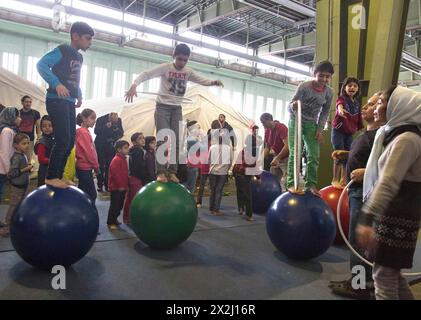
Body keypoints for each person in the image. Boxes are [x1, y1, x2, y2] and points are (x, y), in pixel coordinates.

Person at [356, 86, 421, 300]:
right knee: (392, 275)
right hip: (397, 213)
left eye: (381, 102)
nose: (376, 107)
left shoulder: (407, 139)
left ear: (397, 106)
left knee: (383, 278)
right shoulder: (398, 135)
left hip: (396, 216)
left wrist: (366, 217)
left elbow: (388, 182)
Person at [125, 43, 224, 183]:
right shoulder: (166, 67)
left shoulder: (188, 71)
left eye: (185, 60)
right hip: (162, 107)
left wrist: (213, 82)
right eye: (179, 59)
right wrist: (134, 85)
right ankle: (160, 172)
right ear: (173, 56)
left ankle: (172, 171)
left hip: (177, 108)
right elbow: (146, 74)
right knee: (163, 139)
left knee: (177, 140)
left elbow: (201, 80)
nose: (182, 63)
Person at [329, 92, 382, 299]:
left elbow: (387, 165)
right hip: (355, 191)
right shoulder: (367, 134)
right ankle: (361, 280)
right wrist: (345, 155)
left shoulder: (382, 136)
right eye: (366, 104)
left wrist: (366, 172)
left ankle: (359, 285)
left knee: (357, 240)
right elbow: (366, 156)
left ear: (380, 112)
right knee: (358, 240)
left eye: (371, 105)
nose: (365, 107)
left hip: (364, 192)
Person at [37, 21, 94, 189]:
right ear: (75, 36)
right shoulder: (63, 50)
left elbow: (74, 78)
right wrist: (56, 83)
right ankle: (51, 176)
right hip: (56, 100)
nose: (90, 42)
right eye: (88, 39)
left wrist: (79, 94)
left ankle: (58, 176)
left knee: (69, 142)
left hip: (68, 101)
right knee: (62, 140)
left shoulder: (79, 57)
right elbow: (41, 65)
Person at [287, 60, 334, 196]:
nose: (324, 79)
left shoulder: (329, 93)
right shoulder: (304, 87)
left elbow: (325, 112)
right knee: (295, 152)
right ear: (315, 74)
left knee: (314, 155)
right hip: (296, 121)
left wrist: (319, 129)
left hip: (311, 125)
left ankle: (311, 185)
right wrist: (293, 106)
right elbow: (290, 105)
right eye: (321, 75)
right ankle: (290, 183)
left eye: (327, 76)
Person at [331, 77, 363, 188]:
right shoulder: (342, 99)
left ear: (358, 89)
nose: (352, 88)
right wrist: (340, 110)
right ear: (344, 88)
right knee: (338, 154)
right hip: (338, 131)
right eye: (349, 86)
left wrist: (360, 128)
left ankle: (343, 178)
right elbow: (339, 104)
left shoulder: (357, 104)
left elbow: (359, 118)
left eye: (355, 86)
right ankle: (335, 178)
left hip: (349, 133)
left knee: (347, 155)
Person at [0, 133, 32, 237]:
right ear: (16, 145)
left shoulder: (23, 155)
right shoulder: (16, 157)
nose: (26, 145)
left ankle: (16, 223)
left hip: (24, 185)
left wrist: (27, 168)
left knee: (21, 205)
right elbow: (12, 173)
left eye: (27, 143)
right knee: (13, 206)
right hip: (17, 187)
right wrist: (25, 169)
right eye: (23, 143)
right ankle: (6, 227)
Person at [75, 108, 99, 211]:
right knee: (92, 194)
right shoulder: (83, 132)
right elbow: (89, 152)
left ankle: (80, 212)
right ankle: (88, 214)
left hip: (84, 166)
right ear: (84, 118)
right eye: (92, 118)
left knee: (83, 191)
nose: (94, 121)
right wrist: (96, 166)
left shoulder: (84, 131)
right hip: (84, 167)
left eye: (95, 119)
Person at [94, 112, 124, 192]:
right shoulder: (100, 119)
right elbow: (96, 131)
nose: (115, 122)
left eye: (116, 121)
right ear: (109, 118)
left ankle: (107, 185)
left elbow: (121, 133)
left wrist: (116, 130)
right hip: (100, 145)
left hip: (111, 145)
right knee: (101, 165)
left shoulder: (119, 120)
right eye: (113, 121)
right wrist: (105, 127)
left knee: (109, 165)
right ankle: (100, 185)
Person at [208, 121, 233, 216]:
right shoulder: (228, 148)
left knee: (213, 190)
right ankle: (216, 209)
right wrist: (227, 169)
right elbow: (230, 160)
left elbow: (209, 160)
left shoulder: (212, 147)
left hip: (212, 171)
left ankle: (211, 208)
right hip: (222, 172)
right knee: (218, 191)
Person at [233, 136, 259, 222]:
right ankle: (249, 215)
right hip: (242, 174)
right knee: (248, 195)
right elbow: (254, 166)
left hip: (237, 173)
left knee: (240, 191)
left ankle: (240, 208)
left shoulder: (243, 150)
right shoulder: (252, 152)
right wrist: (258, 177)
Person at [260, 113, 289, 189]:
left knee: (288, 182)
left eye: (263, 122)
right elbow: (267, 148)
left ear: (269, 120)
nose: (263, 125)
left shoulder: (281, 127)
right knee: (272, 180)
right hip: (277, 156)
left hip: (287, 158)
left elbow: (287, 146)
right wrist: (259, 160)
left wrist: (278, 158)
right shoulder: (267, 130)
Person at [123, 132, 146, 224]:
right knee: (135, 199)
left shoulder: (132, 150)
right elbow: (138, 167)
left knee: (129, 198)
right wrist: (143, 177)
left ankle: (127, 217)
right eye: (140, 138)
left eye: (143, 138)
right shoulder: (138, 151)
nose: (143, 140)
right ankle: (133, 218)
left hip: (132, 177)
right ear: (134, 142)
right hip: (136, 178)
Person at [0, 107, 21, 204]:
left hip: (4, 168)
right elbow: (4, 153)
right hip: (2, 169)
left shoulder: (11, 130)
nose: (20, 119)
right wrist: (8, 169)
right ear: (11, 117)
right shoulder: (7, 131)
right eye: (17, 116)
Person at [107, 140, 130, 230]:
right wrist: (120, 185)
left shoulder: (123, 159)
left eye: (127, 147)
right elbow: (116, 174)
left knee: (120, 205)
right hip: (116, 188)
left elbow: (124, 173)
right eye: (125, 148)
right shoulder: (116, 160)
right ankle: (110, 222)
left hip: (122, 187)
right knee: (115, 206)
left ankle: (115, 219)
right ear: (119, 149)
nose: (127, 150)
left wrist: (126, 185)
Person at [18, 95, 41, 165]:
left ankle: (28, 170)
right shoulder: (18, 113)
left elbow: (38, 126)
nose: (28, 103)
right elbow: (16, 125)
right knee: (19, 156)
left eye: (30, 102)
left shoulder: (36, 113)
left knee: (28, 157)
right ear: (22, 102)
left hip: (30, 139)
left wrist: (39, 137)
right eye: (26, 102)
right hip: (19, 139)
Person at [34, 115, 54, 187]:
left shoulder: (53, 139)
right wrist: (54, 160)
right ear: (41, 128)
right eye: (44, 126)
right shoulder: (42, 142)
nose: (47, 128)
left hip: (51, 168)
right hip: (44, 170)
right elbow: (41, 160)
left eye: (50, 125)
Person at [184, 120, 202, 193]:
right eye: (198, 128)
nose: (199, 130)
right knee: (190, 187)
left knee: (188, 186)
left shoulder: (189, 139)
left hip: (191, 165)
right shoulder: (192, 141)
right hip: (192, 166)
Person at [196, 129, 211, 208]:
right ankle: (199, 201)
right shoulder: (203, 144)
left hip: (211, 169)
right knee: (202, 186)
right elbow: (197, 153)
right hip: (205, 168)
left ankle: (212, 205)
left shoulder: (214, 144)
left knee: (211, 187)